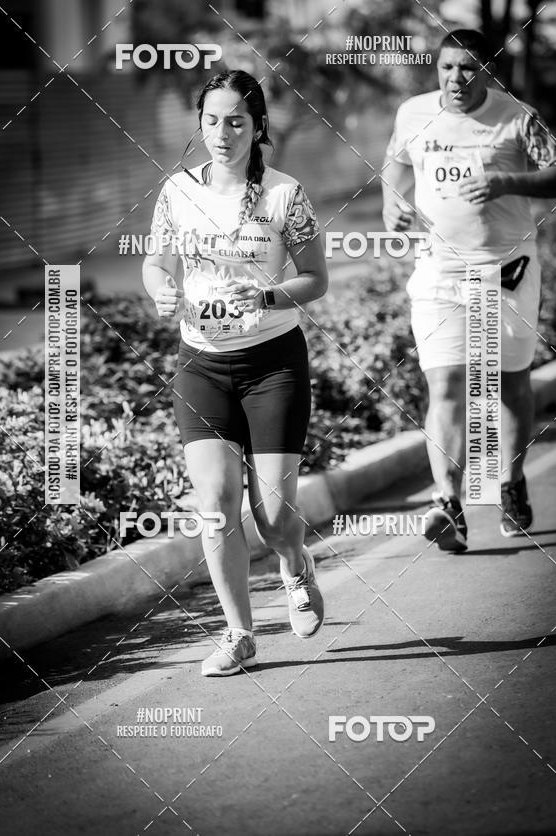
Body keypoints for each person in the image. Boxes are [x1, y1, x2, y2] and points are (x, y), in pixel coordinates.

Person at [142, 70, 328, 676]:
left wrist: (268, 297)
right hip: (201, 364)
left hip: (272, 363)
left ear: (257, 127)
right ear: (199, 125)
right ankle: (239, 634)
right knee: (216, 505)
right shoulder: (176, 191)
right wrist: (162, 291)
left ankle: (295, 565)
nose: (222, 133)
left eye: (236, 121)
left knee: (273, 516)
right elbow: (155, 264)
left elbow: (316, 278)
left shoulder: (284, 194)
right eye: (212, 120)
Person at [382, 28, 556, 551]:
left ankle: (509, 482)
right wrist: (389, 203)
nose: (456, 79)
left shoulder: (517, 117)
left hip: (505, 269)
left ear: (488, 70)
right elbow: (395, 163)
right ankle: (449, 504)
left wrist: (504, 182)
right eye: (447, 68)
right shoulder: (414, 113)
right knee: (444, 386)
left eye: (468, 68)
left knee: (510, 385)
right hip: (438, 271)